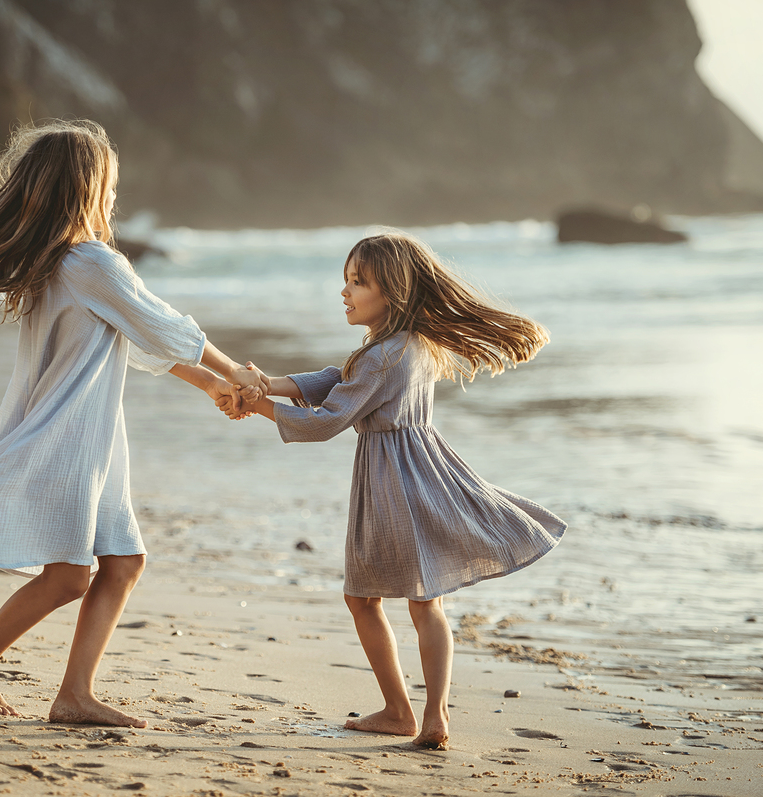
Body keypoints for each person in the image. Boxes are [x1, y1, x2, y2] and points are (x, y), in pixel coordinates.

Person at [0, 119, 265, 724]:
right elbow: (163, 325)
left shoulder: (59, 264)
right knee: (73, 574)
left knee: (121, 563)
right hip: (67, 440)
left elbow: (136, 340)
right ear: (88, 188)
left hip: (92, 443)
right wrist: (238, 375)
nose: (115, 196)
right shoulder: (93, 262)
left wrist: (212, 388)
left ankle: (74, 694)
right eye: (110, 184)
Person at [222, 231, 565, 749]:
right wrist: (272, 384)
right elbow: (339, 378)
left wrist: (258, 404)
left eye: (358, 282)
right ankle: (429, 717)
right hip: (422, 473)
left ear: (395, 292)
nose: (345, 291)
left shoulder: (385, 355)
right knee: (425, 601)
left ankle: (403, 712)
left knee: (364, 598)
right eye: (346, 280)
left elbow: (327, 420)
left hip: (390, 482)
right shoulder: (404, 345)